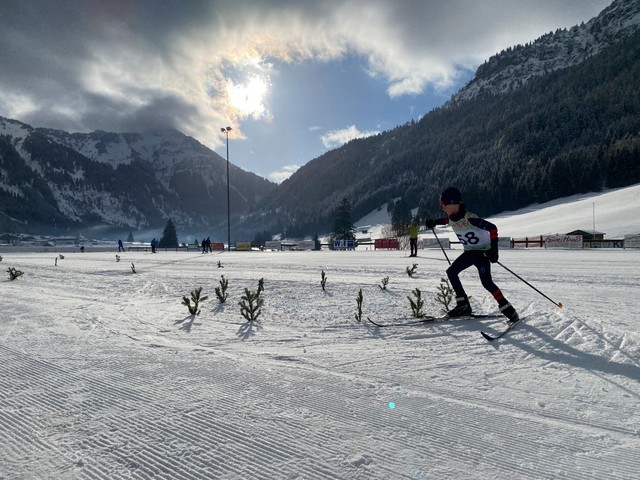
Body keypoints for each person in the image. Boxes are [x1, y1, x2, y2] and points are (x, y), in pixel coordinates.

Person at [424, 187, 519, 324]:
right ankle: (463, 305)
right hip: (469, 252)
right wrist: (434, 222)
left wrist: (494, 250)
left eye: (444, 204)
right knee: (451, 272)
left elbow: (492, 228)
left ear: (454, 203)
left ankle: (509, 310)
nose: (442, 207)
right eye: (441, 205)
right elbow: (446, 221)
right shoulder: (452, 218)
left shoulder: (470, 218)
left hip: (482, 254)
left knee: (487, 283)